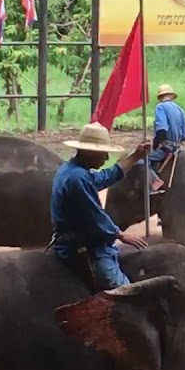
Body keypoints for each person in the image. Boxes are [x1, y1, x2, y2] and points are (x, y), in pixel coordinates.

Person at [50, 122, 152, 290]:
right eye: (103, 153)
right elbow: (94, 216)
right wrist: (120, 235)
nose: (105, 158)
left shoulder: (72, 169)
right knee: (124, 291)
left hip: (75, 240)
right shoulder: (78, 179)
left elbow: (106, 177)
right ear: (90, 153)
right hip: (82, 247)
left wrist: (136, 156)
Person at [148, 83, 185, 194]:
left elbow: (162, 129)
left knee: (143, 160)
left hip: (167, 147)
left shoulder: (160, 107)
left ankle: (154, 183)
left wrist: (155, 144)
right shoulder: (180, 109)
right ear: (171, 96)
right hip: (179, 148)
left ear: (161, 97)